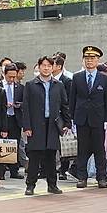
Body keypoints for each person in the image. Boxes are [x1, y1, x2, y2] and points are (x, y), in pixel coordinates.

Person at [22, 56, 71, 196]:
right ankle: (30, 185)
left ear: (53, 67)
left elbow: (64, 105)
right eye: (43, 65)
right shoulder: (31, 85)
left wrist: (67, 123)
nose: (46, 68)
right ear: (39, 67)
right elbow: (26, 107)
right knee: (35, 156)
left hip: (53, 125)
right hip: (36, 125)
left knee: (51, 156)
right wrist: (27, 127)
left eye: (49, 66)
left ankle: (52, 185)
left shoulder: (58, 84)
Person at [69, 46, 107, 189]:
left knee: (99, 149)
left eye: (92, 58)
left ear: (97, 60)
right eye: (87, 58)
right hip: (81, 118)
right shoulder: (77, 77)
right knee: (82, 149)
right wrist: (72, 119)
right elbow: (72, 99)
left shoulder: (104, 79)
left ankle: (101, 177)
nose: (89, 61)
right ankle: (82, 177)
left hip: (98, 119)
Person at [0, 63, 25, 180]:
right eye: (10, 77)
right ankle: (1, 171)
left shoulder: (20, 87)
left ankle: (14, 170)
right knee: (2, 144)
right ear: (4, 74)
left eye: (14, 77)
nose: (12, 79)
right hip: (3, 118)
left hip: (15, 117)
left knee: (15, 143)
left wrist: (18, 105)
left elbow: (25, 102)